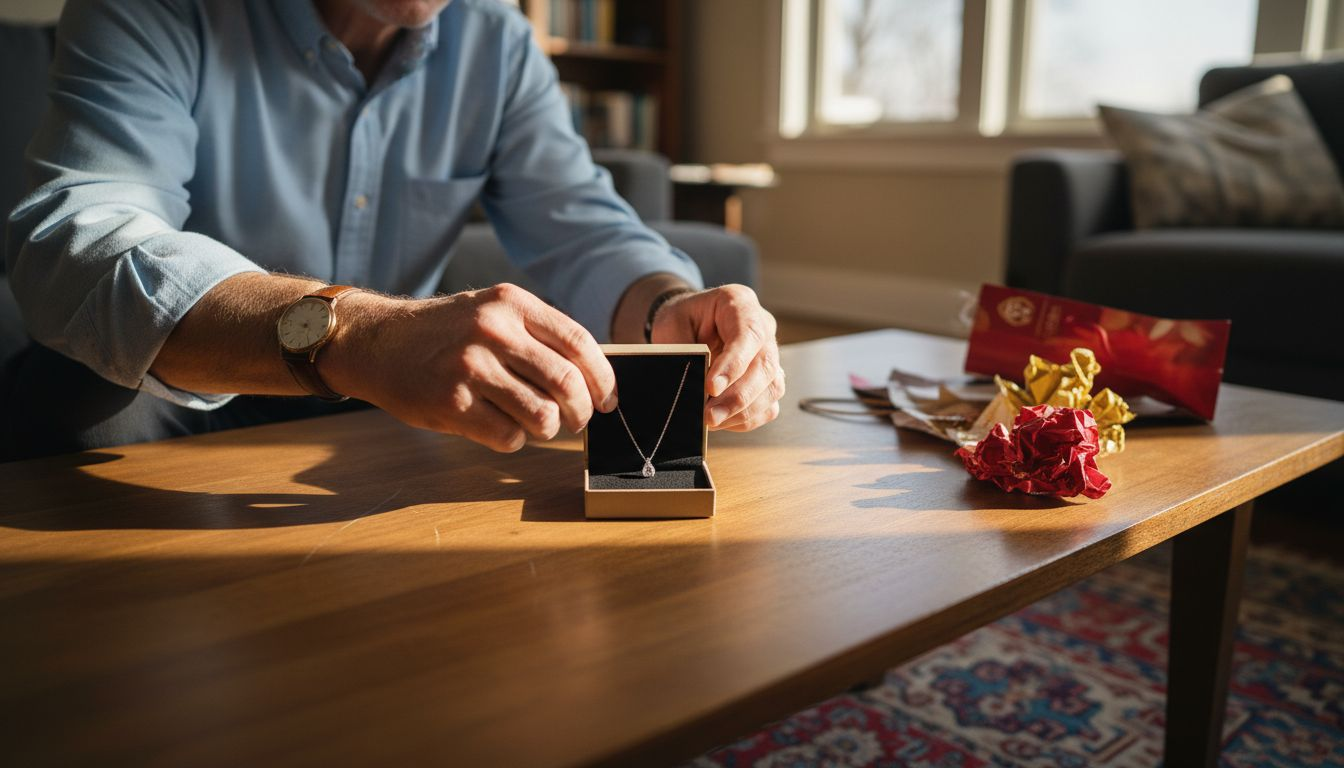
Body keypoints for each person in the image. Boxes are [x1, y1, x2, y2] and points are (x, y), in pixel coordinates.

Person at [3, 0, 784, 461]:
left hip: (384, 403)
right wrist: (364, 337)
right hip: (179, 389)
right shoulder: (154, 10)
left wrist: (668, 303)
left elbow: (583, 226)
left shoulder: (498, 43)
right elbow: (80, 238)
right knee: (81, 411)